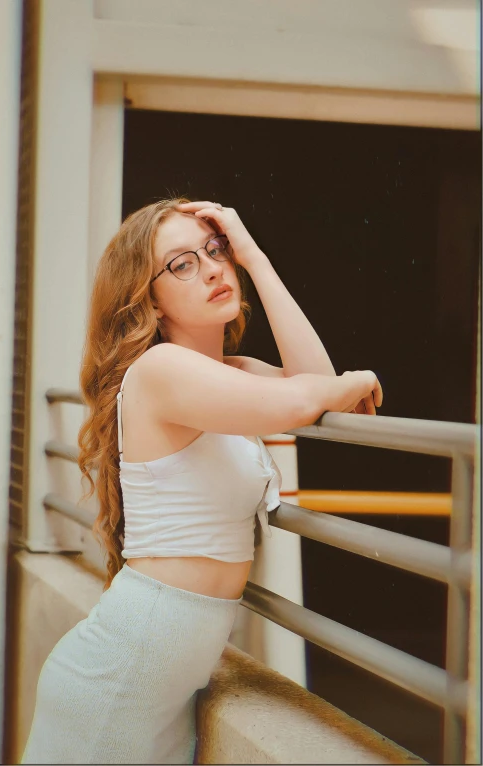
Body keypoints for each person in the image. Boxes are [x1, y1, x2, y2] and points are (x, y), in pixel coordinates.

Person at [21, 197, 383, 764]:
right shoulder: (160, 371)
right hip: (117, 681)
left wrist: (255, 256)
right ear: (150, 301)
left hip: (162, 686)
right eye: (182, 264)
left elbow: (314, 386)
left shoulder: (229, 372)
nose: (213, 268)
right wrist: (356, 379)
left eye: (217, 251)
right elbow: (307, 398)